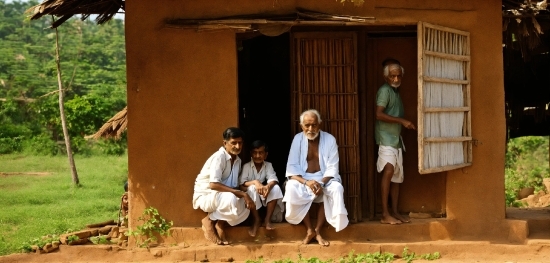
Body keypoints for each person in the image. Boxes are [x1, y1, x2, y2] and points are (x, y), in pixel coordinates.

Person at [283, 109, 349, 246]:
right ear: (302, 126)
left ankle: (318, 230)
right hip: (304, 179)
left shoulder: (330, 139)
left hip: (325, 178)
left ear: (320, 124)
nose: (311, 129)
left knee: (336, 188)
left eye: (314, 125)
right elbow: (291, 169)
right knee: (290, 187)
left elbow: (332, 168)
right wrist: (307, 182)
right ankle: (309, 230)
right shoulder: (297, 139)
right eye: (307, 125)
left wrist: (322, 183)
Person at [192, 127, 255, 245]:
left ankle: (221, 223)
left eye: (240, 143)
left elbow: (235, 186)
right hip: (207, 196)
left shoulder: (238, 160)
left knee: (251, 196)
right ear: (225, 143)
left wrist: (248, 192)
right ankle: (209, 221)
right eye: (233, 143)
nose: (237, 146)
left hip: (222, 196)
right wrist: (240, 193)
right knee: (231, 198)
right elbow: (213, 185)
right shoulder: (219, 157)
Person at [375, 58, 416, 225]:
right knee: (389, 171)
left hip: (395, 140)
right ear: (386, 77)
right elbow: (378, 114)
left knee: (397, 176)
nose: (396, 79)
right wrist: (402, 121)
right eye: (393, 76)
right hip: (385, 138)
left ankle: (395, 212)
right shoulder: (385, 91)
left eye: (398, 76)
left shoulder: (395, 92)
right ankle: (385, 214)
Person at [239, 140, 284, 236]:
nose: (257, 156)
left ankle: (267, 220)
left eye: (260, 153)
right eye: (255, 153)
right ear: (251, 154)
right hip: (251, 196)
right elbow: (241, 184)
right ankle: (257, 220)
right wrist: (255, 182)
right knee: (251, 188)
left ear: (266, 155)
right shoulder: (246, 166)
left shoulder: (268, 165)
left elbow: (273, 179)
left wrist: (268, 186)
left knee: (275, 188)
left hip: (263, 193)